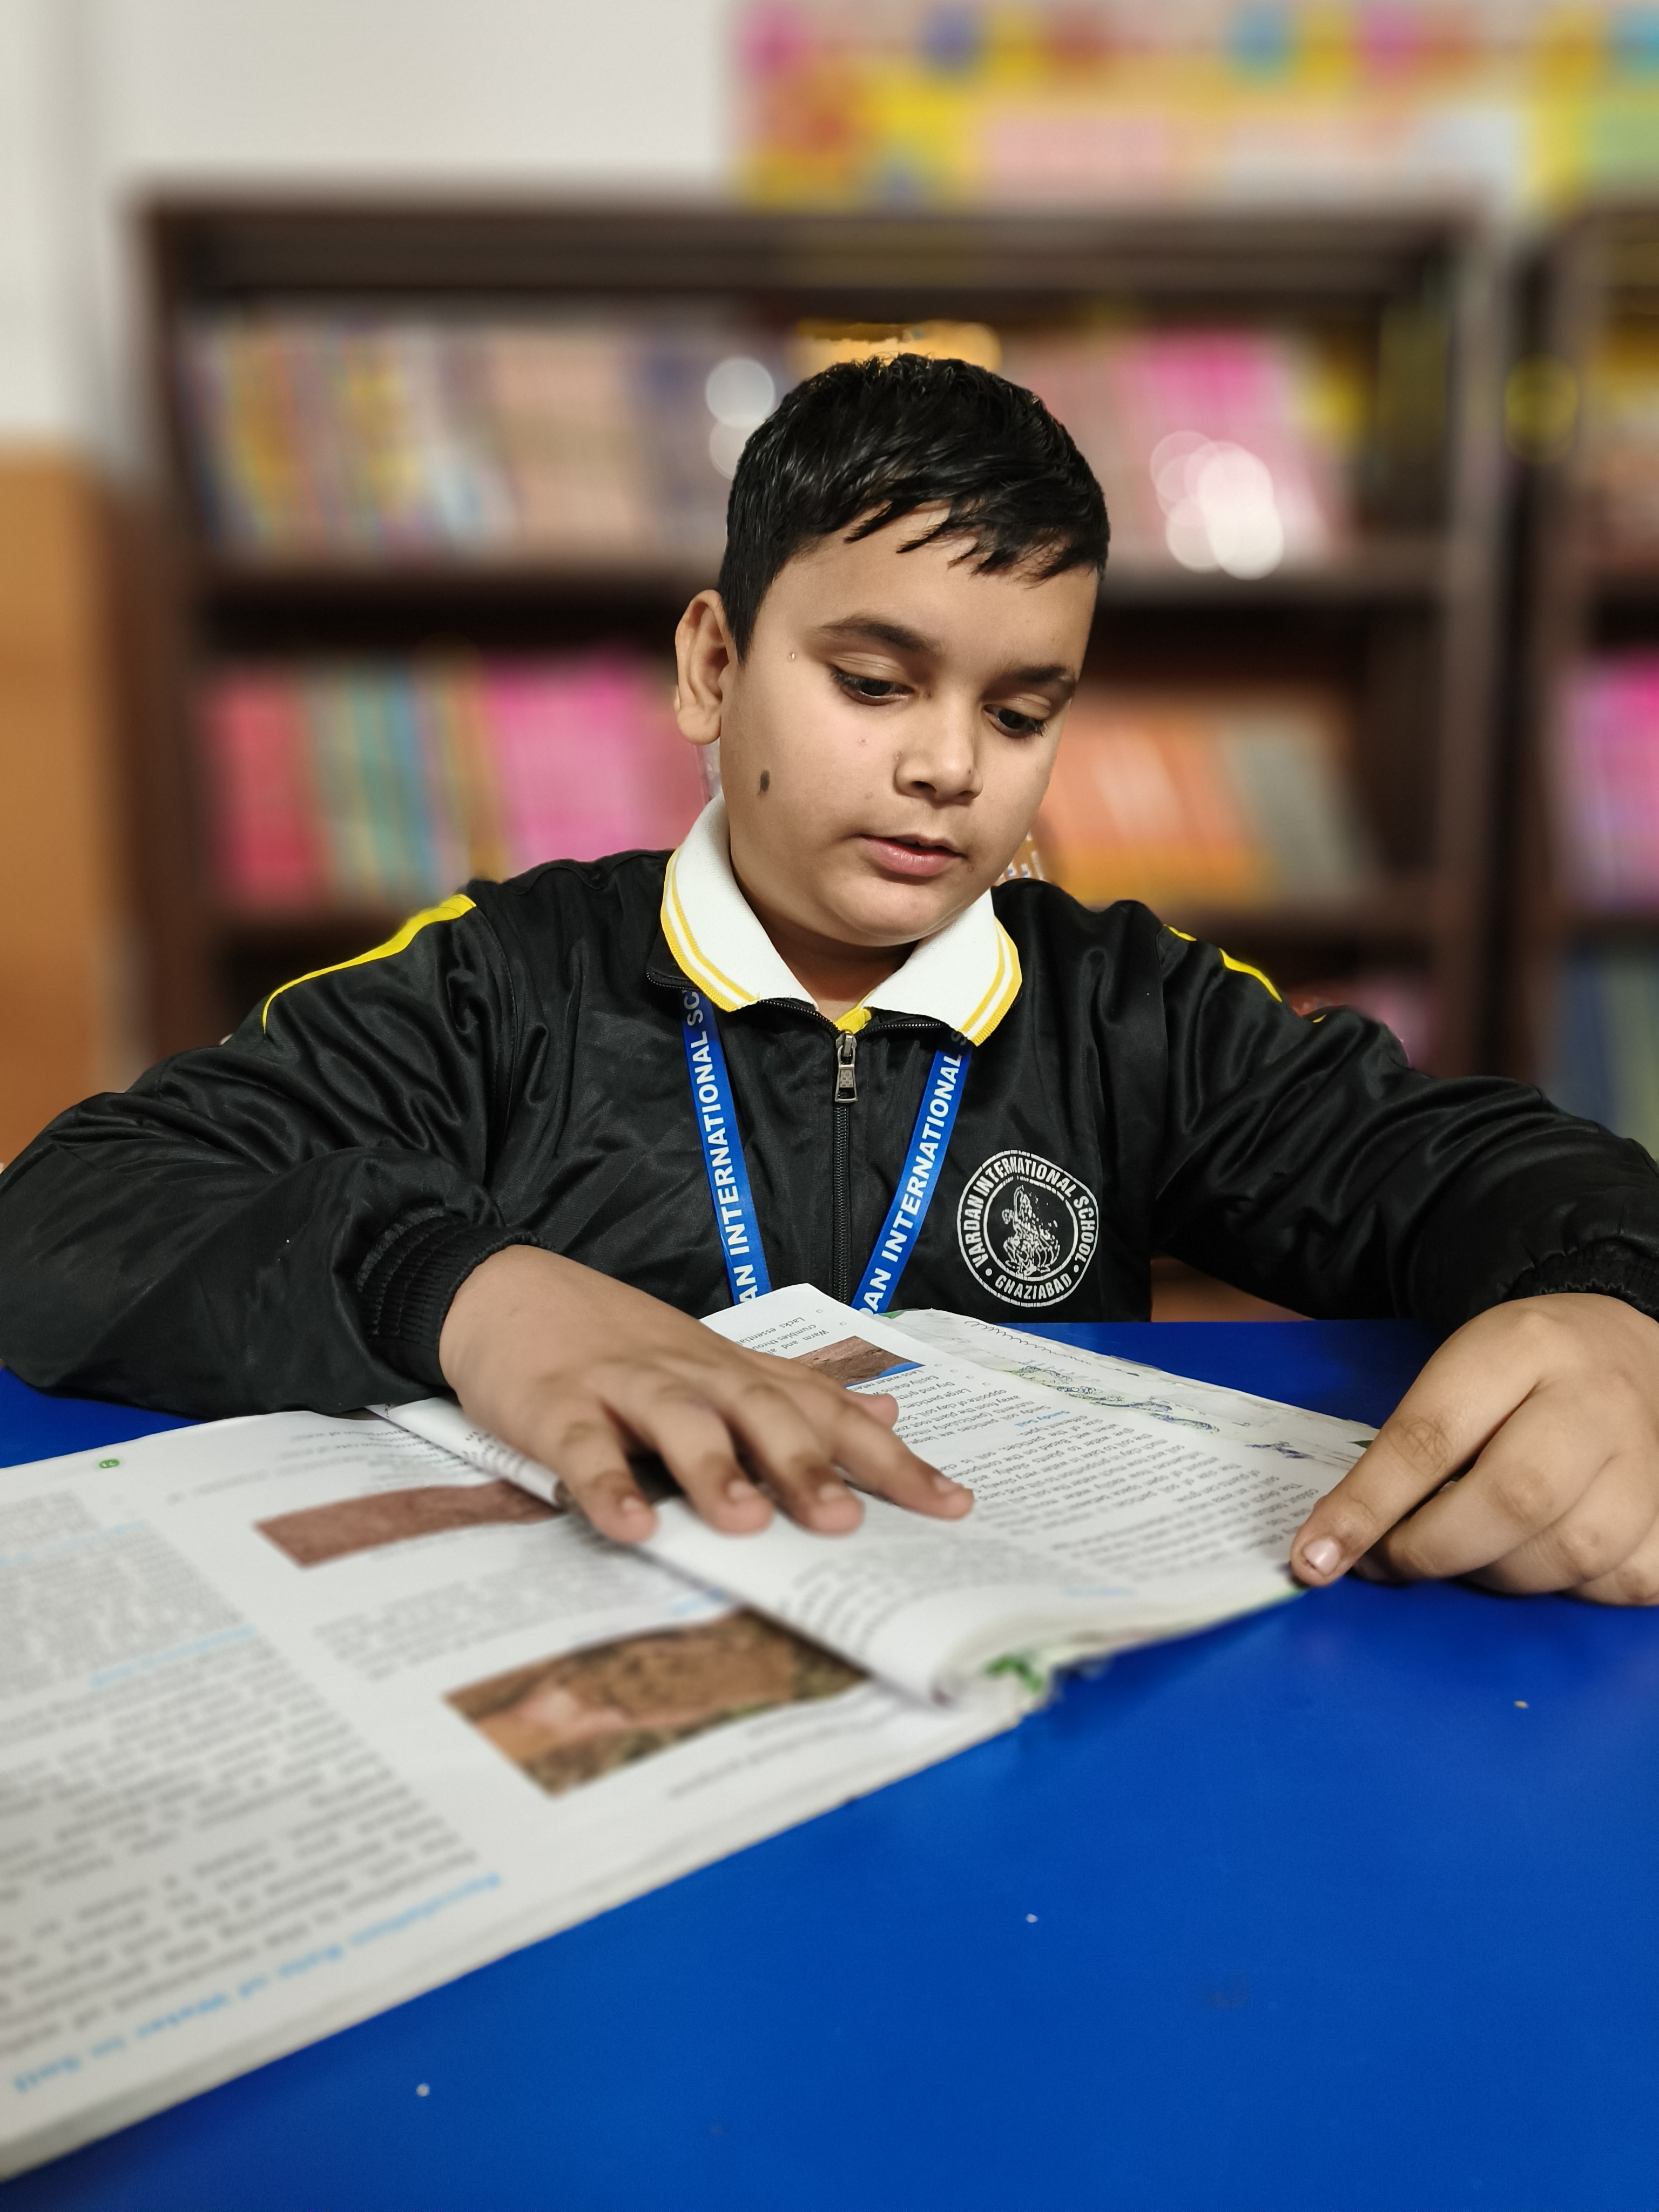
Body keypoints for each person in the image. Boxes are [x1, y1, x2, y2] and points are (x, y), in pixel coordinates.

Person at [4, 353, 1659, 1606]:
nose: (949, 765)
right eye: (874, 682)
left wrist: (1612, 1302)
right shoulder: (499, 984)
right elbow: (73, 1207)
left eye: (1021, 712)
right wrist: (471, 1291)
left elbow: (1484, 1167)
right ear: (713, 665)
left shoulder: (1132, 1010)